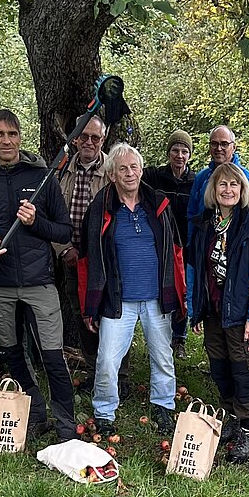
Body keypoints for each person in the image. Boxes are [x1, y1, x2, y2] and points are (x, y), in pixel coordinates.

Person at [0, 109, 76, 440]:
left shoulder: (41, 178)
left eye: (12, 134)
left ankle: (66, 425)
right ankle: (35, 409)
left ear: (20, 137)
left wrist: (34, 222)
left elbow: (63, 230)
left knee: (53, 354)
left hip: (39, 281)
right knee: (12, 353)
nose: (6, 141)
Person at [81, 142, 184, 437]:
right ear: (112, 174)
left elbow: (175, 252)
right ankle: (104, 412)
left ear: (141, 171)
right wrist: (91, 305)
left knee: (162, 356)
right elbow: (90, 261)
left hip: (156, 297)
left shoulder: (158, 204)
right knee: (107, 360)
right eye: (122, 168)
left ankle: (164, 408)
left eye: (134, 167)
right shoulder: (100, 208)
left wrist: (179, 294)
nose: (129, 173)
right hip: (118, 300)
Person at [187, 163, 249, 463]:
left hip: (241, 313)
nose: (227, 190)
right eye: (222, 184)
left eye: (233, 185)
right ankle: (232, 417)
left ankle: (247, 429)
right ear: (213, 189)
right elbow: (194, 269)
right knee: (219, 367)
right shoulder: (202, 226)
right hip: (213, 310)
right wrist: (193, 307)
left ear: (242, 190)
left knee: (243, 369)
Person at [54, 112, 110, 381]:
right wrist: (63, 249)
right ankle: (92, 368)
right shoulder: (61, 169)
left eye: (95, 137)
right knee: (80, 311)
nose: (89, 142)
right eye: (83, 136)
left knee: (109, 313)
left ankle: (114, 372)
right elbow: (49, 212)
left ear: (103, 139)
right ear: (74, 140)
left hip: (103, 258)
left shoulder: (113, 170)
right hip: (72, 256)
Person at [146, 129, 196, 354]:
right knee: (162, 288)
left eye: (184, 151)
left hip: (186, 244)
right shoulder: (155, 177)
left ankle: (179, 337)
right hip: (160, 244)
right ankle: (160, 335)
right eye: (175, 150)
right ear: (168, 153)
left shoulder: (196, 181)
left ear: (190, 155)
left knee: (182, 291)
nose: (179, 155)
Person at [186, 126, 249, 229]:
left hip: (236, 241)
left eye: (224, 144)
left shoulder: (247, 179)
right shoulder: (201, 178)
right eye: (214, 144)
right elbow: (192, 215)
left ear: (234, 147)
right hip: (205, 241)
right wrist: (192, 243)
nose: (218, 148)